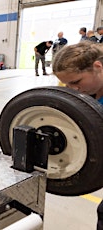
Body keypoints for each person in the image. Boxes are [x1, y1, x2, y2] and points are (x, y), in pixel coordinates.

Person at [52, 42, 103, 229]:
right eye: (66, 84)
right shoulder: (87, 93)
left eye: (76, 82)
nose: (72, 89)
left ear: (97, 67)